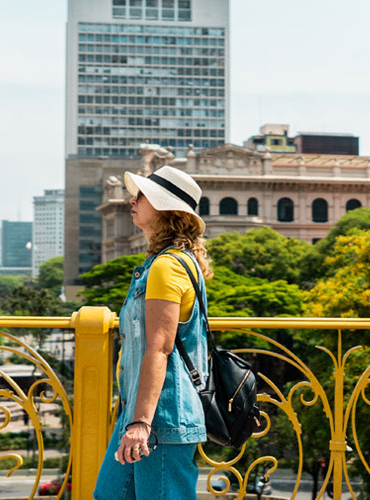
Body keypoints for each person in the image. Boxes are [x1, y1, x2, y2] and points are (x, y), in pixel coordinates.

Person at [93, 166, 214, 500]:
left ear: (164, 207)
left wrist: (141, 423)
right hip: (142, 412)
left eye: (142, 195)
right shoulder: (165, 263)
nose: (133, 200)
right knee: (109, 495)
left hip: (160, 418)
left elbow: (159, 348)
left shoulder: (167, 266)